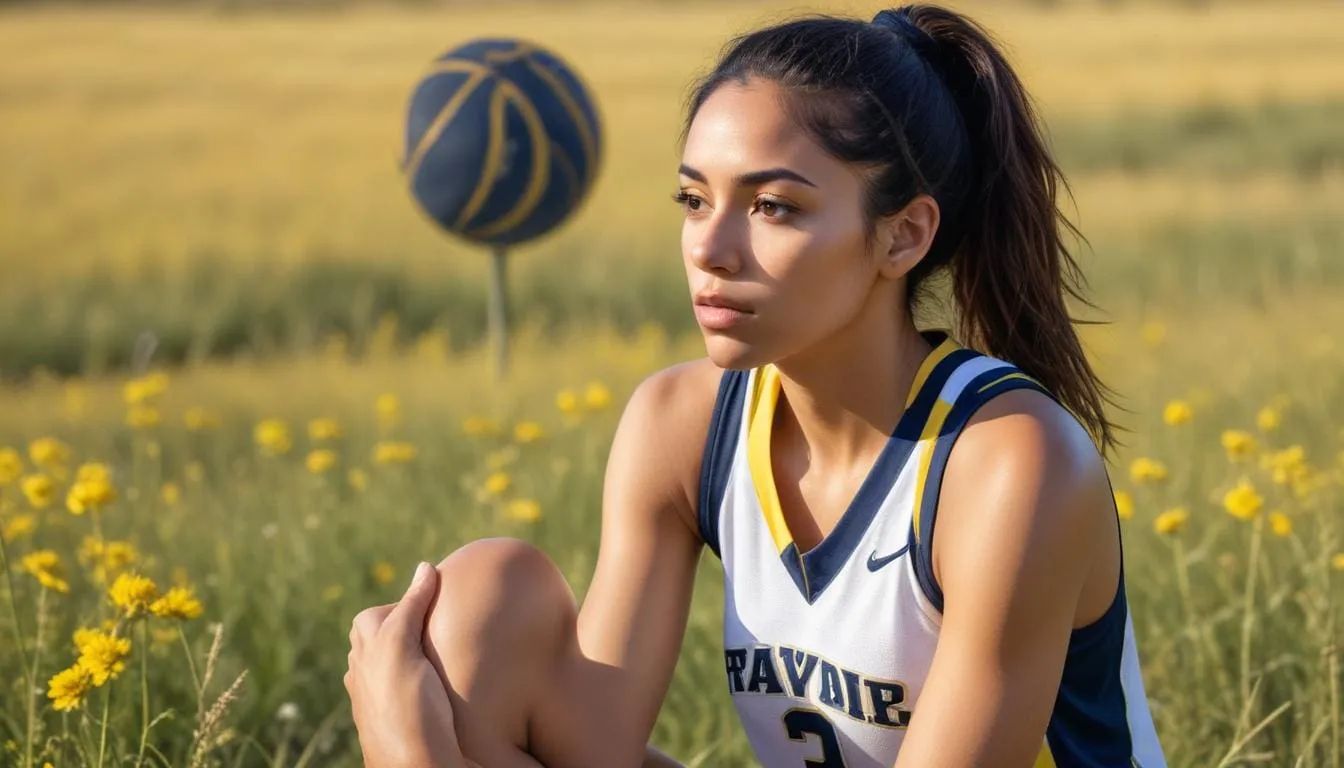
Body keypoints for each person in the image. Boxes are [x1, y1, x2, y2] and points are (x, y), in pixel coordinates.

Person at [345, 4, 1168, 767]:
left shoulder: (1006, 465)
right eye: (693, 198)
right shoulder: (682, 425)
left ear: (903, 236)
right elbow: (589, 746)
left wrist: (412, 750)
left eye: (773, 206)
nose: (711, 247)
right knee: (482, 602)